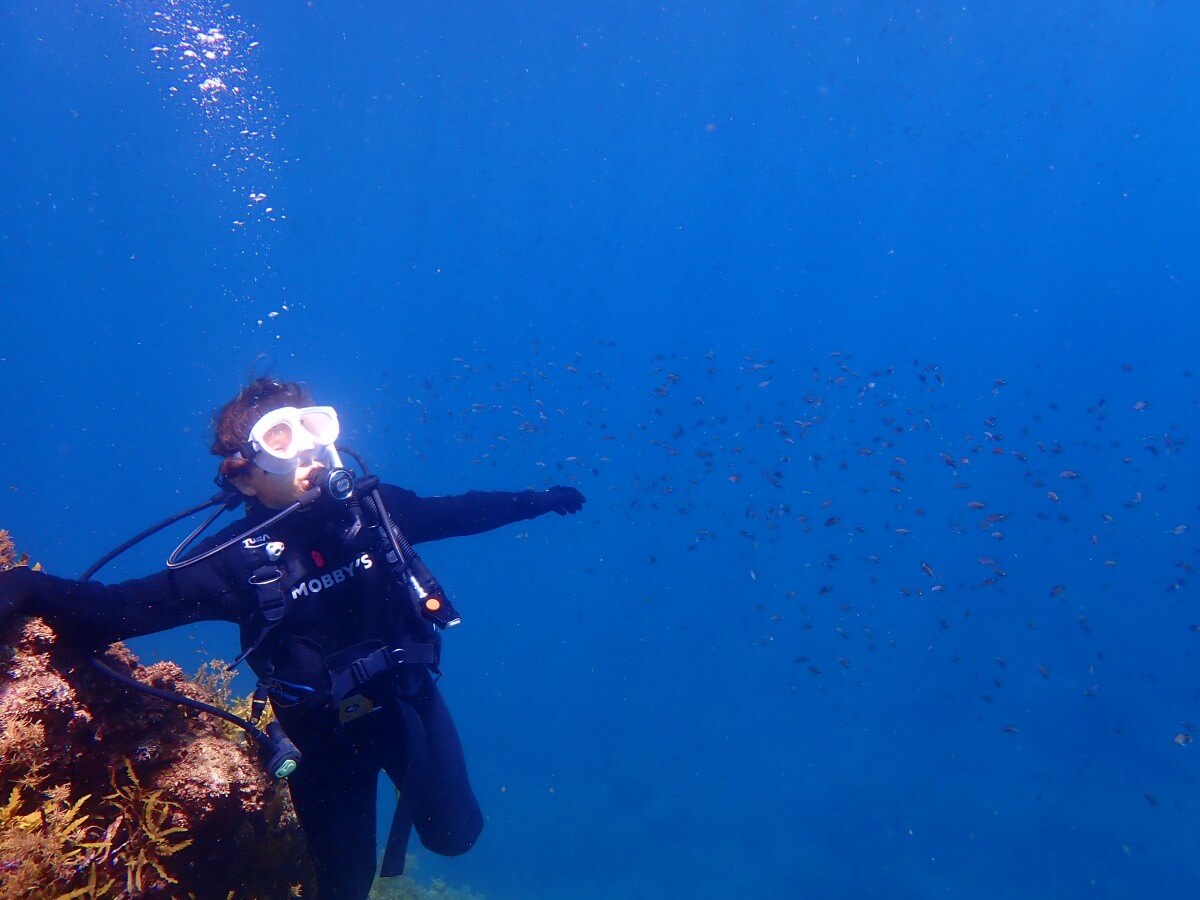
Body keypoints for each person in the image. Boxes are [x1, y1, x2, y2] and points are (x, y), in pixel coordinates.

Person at [0, 378, 586, 899]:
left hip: (408, 704)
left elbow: (458, 511)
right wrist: (26, 588)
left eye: (313, 425)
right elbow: (120, 610)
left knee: (457, 838)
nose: (307, 445)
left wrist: (540, 501)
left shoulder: (375, 510)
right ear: (244, 475)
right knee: (345, 886)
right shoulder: (229, 561)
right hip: (319, 738)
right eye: (281, 436)